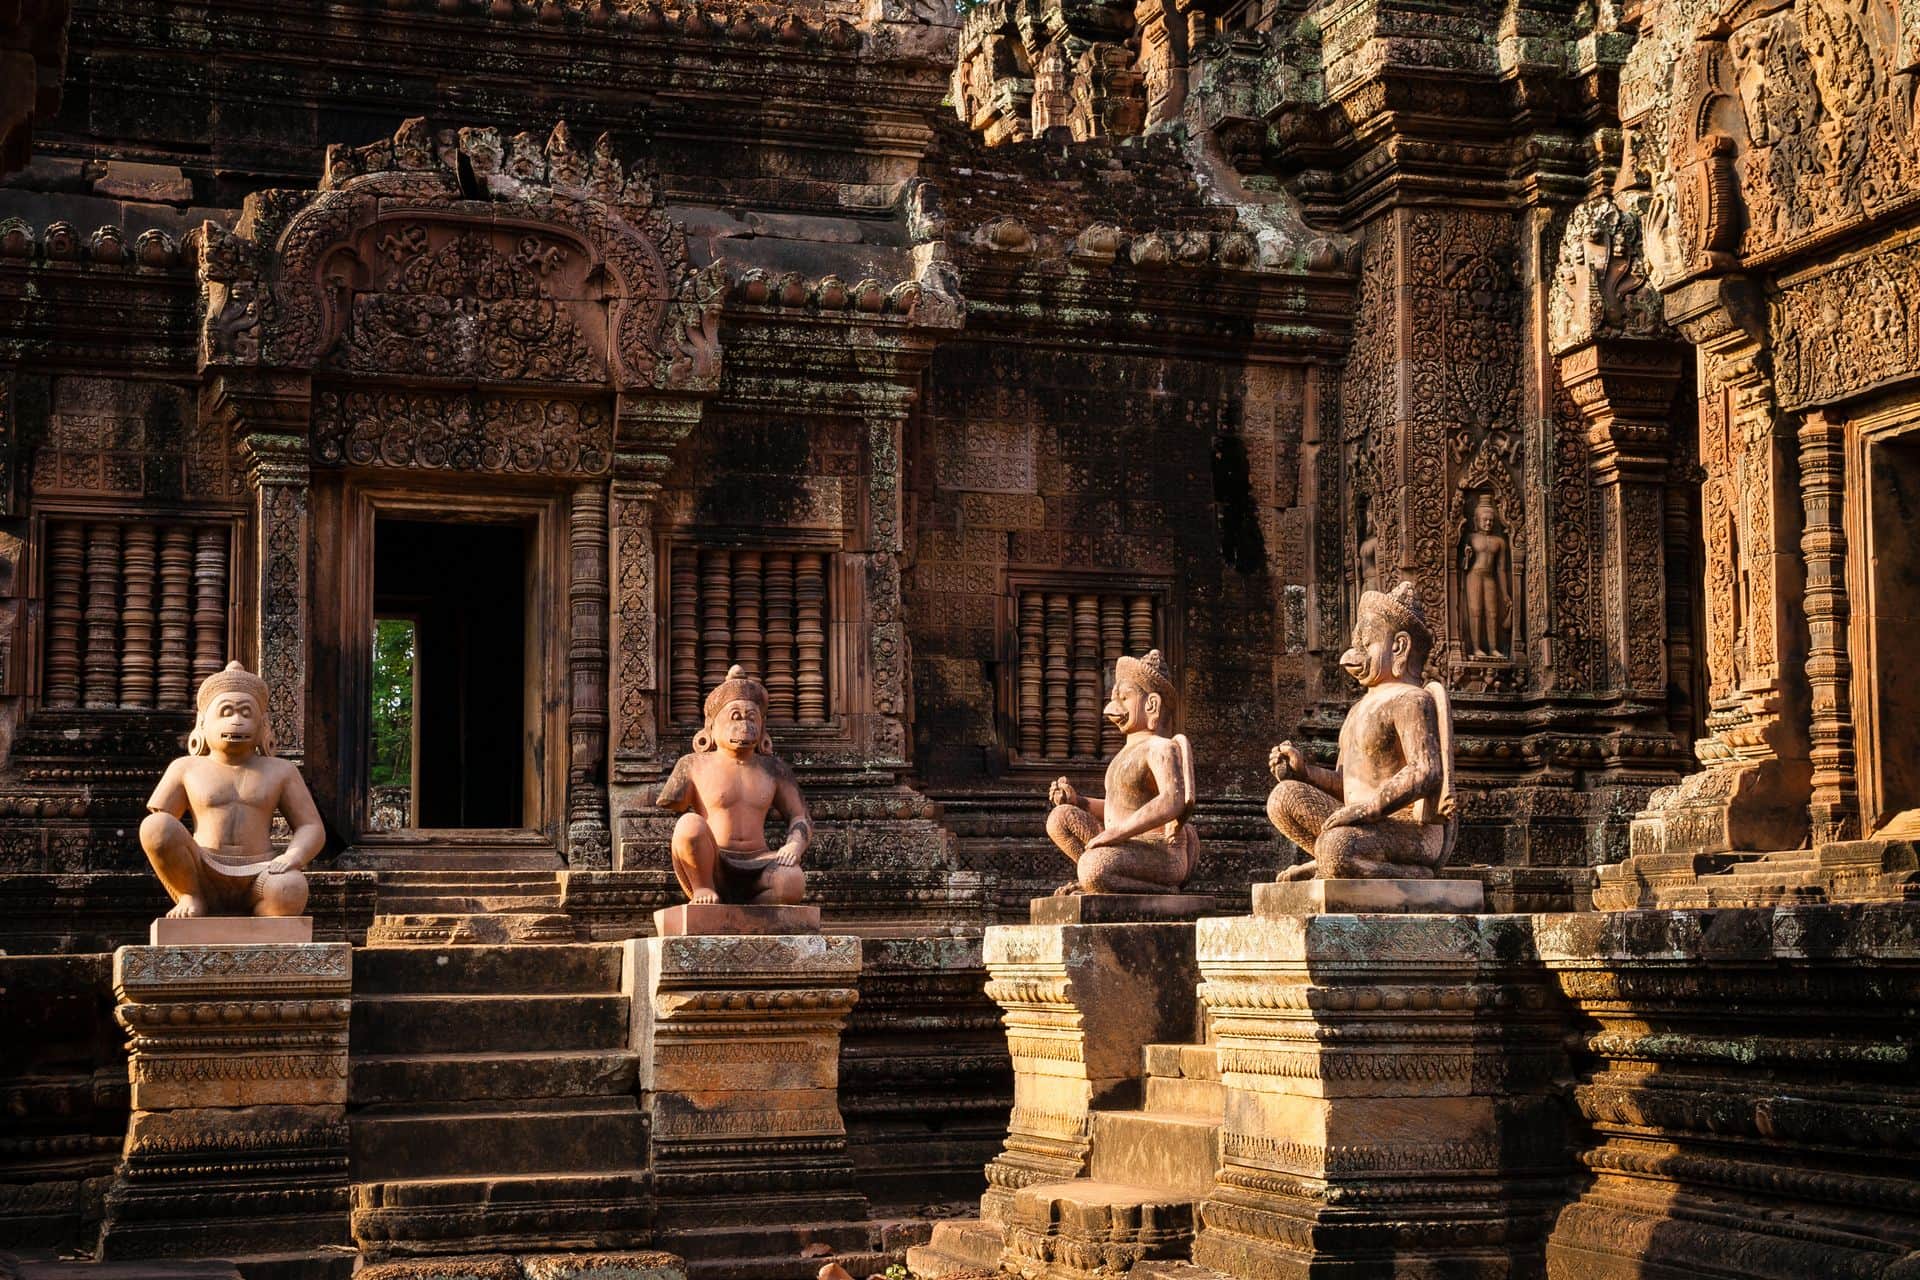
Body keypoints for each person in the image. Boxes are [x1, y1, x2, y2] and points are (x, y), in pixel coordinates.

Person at [1267, 582, 1456, 880]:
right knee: (1283, 798)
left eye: (1366, 645)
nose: (1349, 657)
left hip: (1411, 831)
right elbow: (1347, 784)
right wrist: (1304, 773)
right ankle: (1334, 862)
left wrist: (1369, 809)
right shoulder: (1358, 709)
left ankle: (1407, 872)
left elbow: (1426, 771)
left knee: (1336, 846)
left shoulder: (1411, 699)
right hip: (1365, 827)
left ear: (1399, 646)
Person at [139, 662, 324, 918]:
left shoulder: (281, 770)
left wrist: (293, 856)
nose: (237, 721)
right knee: (155, 826)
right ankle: (191, 896)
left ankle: (263, 923)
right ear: (202, 723)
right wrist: (188, 885)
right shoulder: (185, 767)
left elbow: (311, 826)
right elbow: (162, 832)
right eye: (226, 712)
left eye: (246, 713)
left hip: (262, 872)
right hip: (201, 871)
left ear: (263, 724)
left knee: (291, 888)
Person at [1044, 649, 1200, 894]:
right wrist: (1078, 801)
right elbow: (1120, 808)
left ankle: (1157, 888)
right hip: (1127, 847)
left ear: (1151, 704)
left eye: (1124, 698)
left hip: (1160, 853)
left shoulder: (1160, 747)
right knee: (1060, 817)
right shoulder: (1123, 755)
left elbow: (1172, 801)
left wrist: (1115, 834)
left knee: (1093, 866)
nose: (1111, 709)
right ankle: (1099, 880)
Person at [657, 664, 811, 905]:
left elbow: (799, 817)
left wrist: (794, 846)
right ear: (712, 726)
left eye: (752, 717)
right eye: (735, 716)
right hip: (713, 862)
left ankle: (747, 911)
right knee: (688, 824)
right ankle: (703, 890)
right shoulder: (693, 764)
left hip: (760, 864)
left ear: (762, 727)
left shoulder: (774, 769)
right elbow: (676, 813)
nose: (745, 725)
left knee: (792, 882)